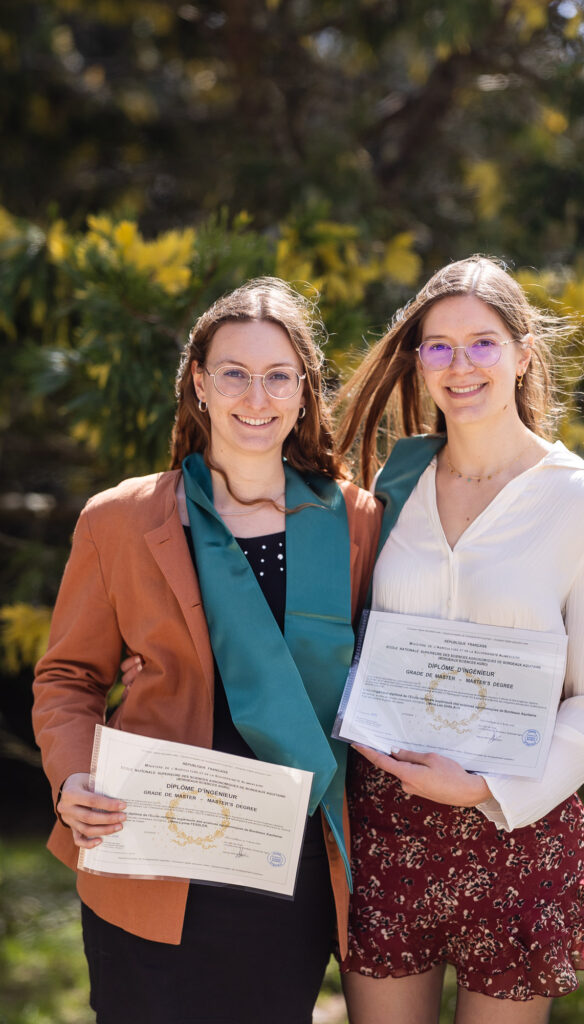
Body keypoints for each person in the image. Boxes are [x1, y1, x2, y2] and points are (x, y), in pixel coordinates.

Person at [32, 277, 381, 1024]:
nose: (257, 397)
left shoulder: (353, 521)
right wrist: (72, 777)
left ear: (304, 390)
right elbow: (68, 676)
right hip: (149, 850)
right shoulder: (119, 521)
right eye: (234, 373)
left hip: (288, 861)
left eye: (278, 376)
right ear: (198, 382)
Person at [333, 255, 584, 1024]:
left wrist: (487, 792)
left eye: (482, 344)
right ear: (419, 361)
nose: (459, 365)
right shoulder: (389, 488)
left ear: (523, 354)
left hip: (516, 827)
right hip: (388, 823)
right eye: (439, 346)